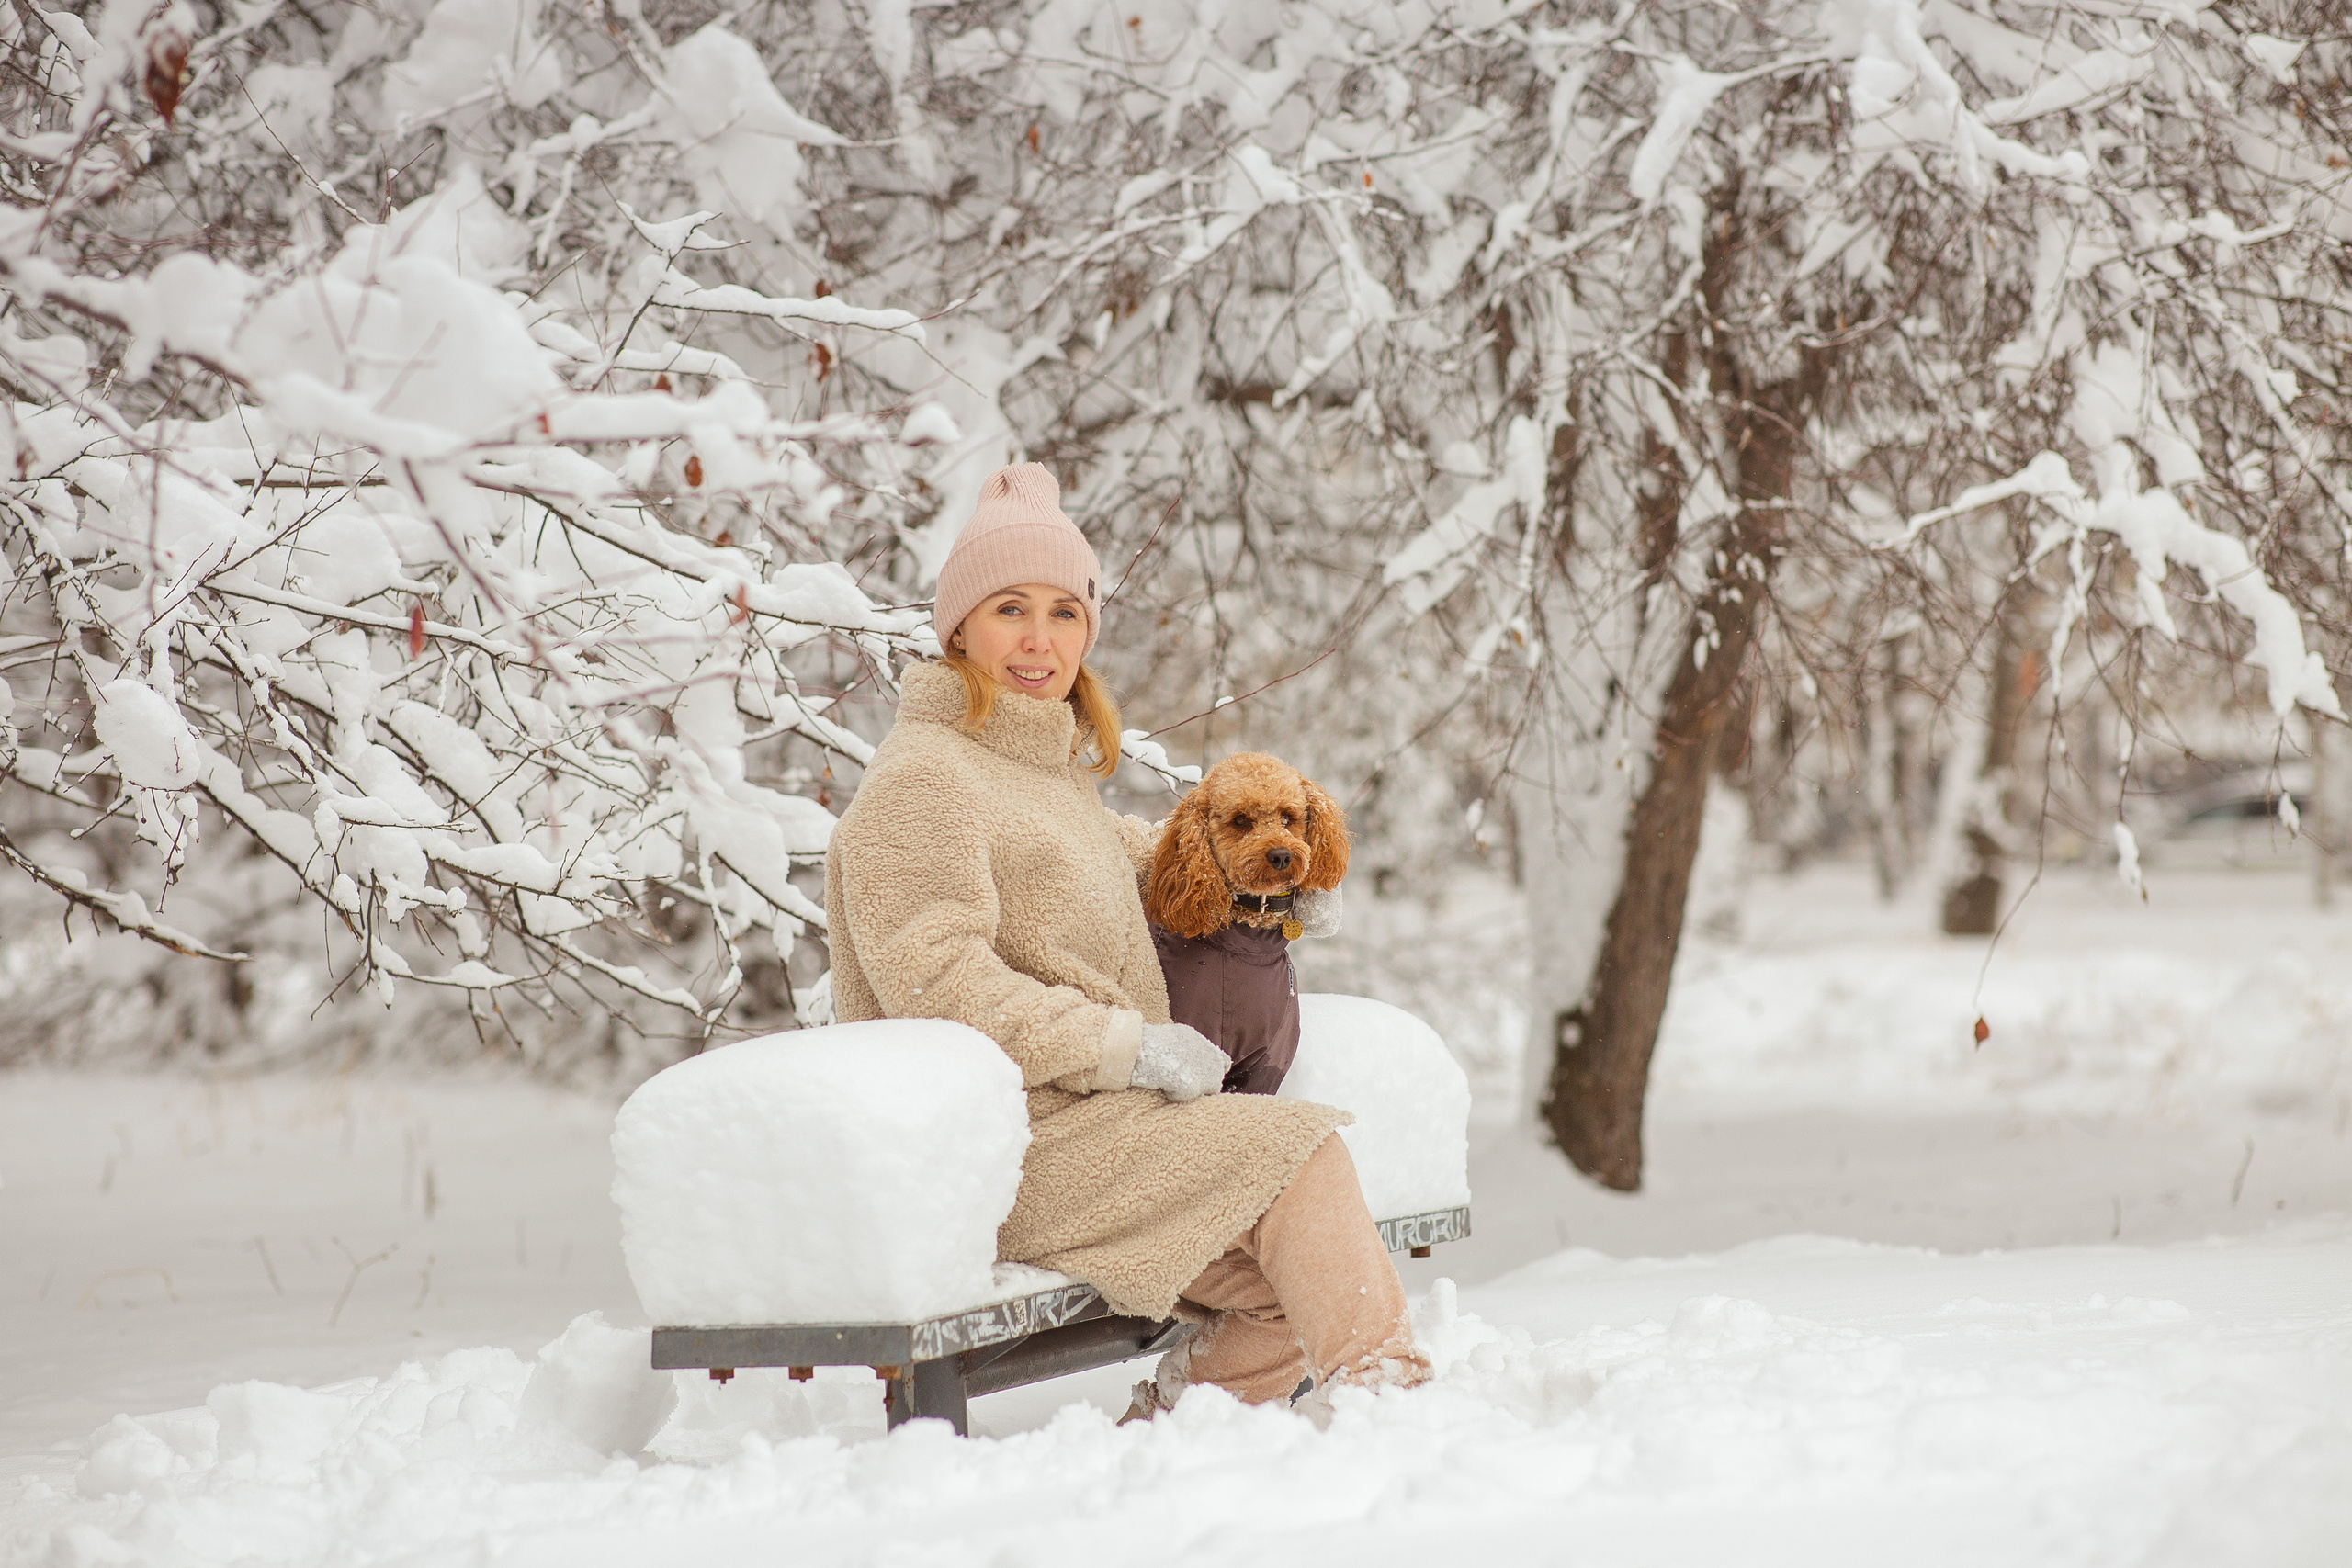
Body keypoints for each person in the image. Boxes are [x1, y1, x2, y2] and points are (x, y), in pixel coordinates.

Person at [824, 463, 1429, 1416]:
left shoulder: (1041, 770)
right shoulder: (926, 778)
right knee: (1301, 1148)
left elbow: (1133, 858)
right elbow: (935, 979)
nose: (1039, 639)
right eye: (1011, 609)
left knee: (1292, 1280)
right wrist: (1123, 1046)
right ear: (959, 629)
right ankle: (1394, 1406)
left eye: (1065, 613)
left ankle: (1172, 1434)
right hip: (1017, 1148)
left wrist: (1276, 882)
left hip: (1106, 1135)